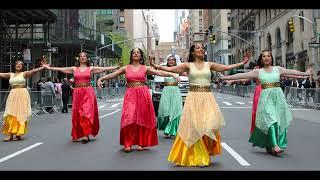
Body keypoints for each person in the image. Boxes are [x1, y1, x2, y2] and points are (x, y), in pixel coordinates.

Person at [150, 43, 249, 167]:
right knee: (196, 127)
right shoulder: (188, 65)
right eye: (198, 48)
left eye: (202, 48)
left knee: (208, 125)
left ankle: (206, 150)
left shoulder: (210, 65)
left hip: (207, 98)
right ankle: (200, 155)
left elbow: (225, 67)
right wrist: (155, 66)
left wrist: (241, 63)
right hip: (193, 98)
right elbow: (171, 69)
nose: (201, 49)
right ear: (192, 52)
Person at [219, 50, 311, 156]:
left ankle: (271, 145)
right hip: (265, 99)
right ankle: (275, 146)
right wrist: (226, 77)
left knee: (279, 122)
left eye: (268, 56)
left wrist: (305, 73)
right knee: (272, 121)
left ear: (271, 58)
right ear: (261, 59)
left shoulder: (278, 69)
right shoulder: (258, 71)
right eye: (264, 56)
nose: (266, 58)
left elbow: (291, 71)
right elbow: (242, 75)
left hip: (278, 98)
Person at [97, 47, 180, 152]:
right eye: (134, 53)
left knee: (142, 118)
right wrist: (101, 79)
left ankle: (142, 142)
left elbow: (159, 73)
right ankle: (128, 143)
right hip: (130, 94)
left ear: (141, 56)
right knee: (129, 117)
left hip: (143, 93)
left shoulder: (145, 68)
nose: (136, 54)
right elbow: (114, 74)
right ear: (131, 56)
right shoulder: (126, 68)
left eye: (138, 53)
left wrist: (172, 74)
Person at [42, 52, 118, 144]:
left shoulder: (91, 68)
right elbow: (61, 69)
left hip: (88, 92)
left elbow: (103, 69)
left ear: (87, 58)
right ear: (79, 58)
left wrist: (114, 67)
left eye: (84, 56)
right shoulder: (74, 69)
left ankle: (86, 135)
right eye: (81, 56)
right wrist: (49, 67)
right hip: (77, 93)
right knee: (78, 114)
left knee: (86, 113)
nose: (82, 57)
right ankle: (78, 133)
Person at [0, 60, 45, 141]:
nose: (18, 65)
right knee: (10, 113)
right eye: (17, 64)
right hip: (13, 95)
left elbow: (33, 71)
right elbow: (1, 74)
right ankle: (10, 134)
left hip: (22, 94)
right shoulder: (11, 74)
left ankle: (18, 134)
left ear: (22, 67)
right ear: (15, 65)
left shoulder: (24, 74)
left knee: (20, 113)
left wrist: (43, 67)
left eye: (20, 64)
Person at [157, 55, 186, 139]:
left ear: (175, 61)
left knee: (175, 111)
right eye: (169, 60)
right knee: (165, 110)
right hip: (166, 91)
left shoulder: (178, 70)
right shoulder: (164, 69)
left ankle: (173, 131)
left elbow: (189, 74)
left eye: (173, 60)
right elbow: (155, 70)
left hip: (175, 91)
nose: (171, 61)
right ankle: (166, 128)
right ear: (167, 61)